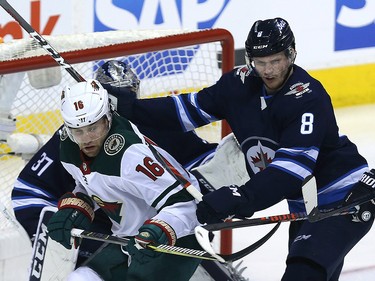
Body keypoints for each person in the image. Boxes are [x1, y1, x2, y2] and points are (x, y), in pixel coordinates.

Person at [100, 18, 375, 280]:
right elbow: (186, 111)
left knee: (303, 271)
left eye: (275, 61)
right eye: (260, 62)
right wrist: (130, 108)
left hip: (345, 196)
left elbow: (291, 171)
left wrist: (240, 197)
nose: (268, 70)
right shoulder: (238, 85)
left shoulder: (307, 98)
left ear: (291, 55)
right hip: (306, 204)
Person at [12, 60, 247, 280]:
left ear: (107, 115)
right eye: (79, 130)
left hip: (166, 240)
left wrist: (159, 229)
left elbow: (186, 202)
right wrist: (78, 206)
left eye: (93, 127)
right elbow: (88, 182)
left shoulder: (132, 152)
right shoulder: (70, 142)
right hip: (126, 237)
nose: (86, 137)